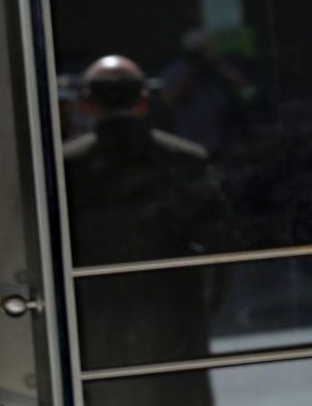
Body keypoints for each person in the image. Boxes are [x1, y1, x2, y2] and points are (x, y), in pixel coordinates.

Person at [63, 55, 230, 406]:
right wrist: (209, 298)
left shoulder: (66, 166)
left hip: (95, 305)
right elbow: (221, 237)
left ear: (86, 103)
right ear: (143, 100)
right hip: (175, 302)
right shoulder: (186, 157)